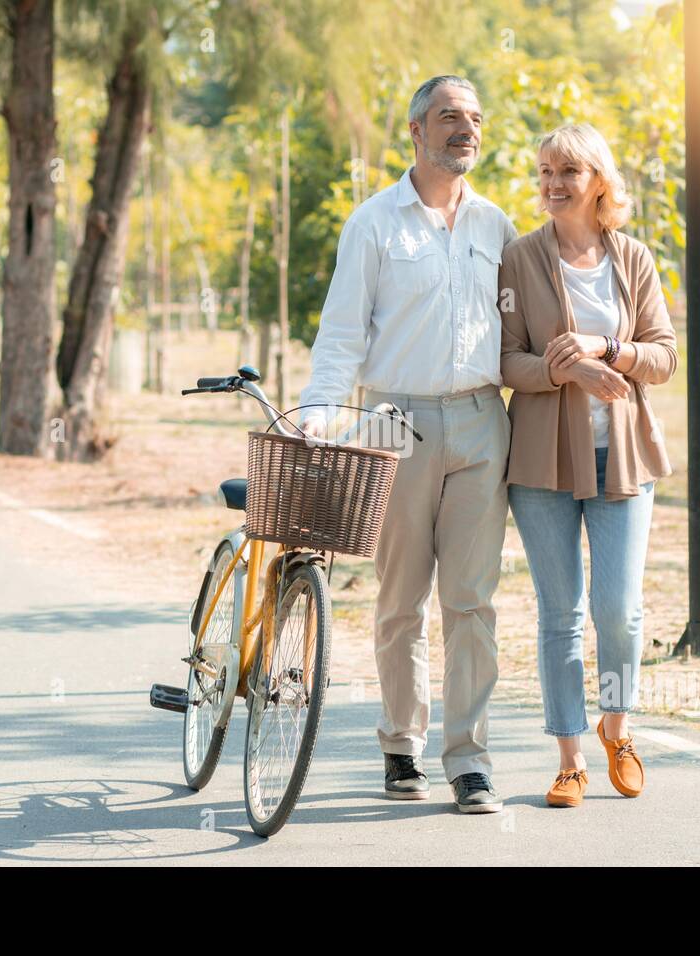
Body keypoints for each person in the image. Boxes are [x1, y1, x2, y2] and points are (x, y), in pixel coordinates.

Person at [298, 75, 518, 813]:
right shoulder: (374, 224)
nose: (467, 129)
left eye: (476, 118)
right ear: (416, 132)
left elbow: (522, 326)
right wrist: (320, 413)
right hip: (396, 422)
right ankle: (401, 745)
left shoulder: (496, 226)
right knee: (401, 599)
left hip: (483, 422)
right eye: (451, 116)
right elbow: (341, 332)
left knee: (472, 601)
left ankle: (470, 759)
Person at [497, 122, 678, 808]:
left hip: (624, 459)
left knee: (619, 611)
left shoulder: (632, 258)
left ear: (598, 180)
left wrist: (608, 350)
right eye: (544, 171)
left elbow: (661, 354)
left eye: (566, 172)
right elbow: (504, 360)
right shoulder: (518, 259)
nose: (551, 185)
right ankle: (570, 757)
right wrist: (563, 368)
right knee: (560, 613)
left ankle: (616, 726)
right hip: (542, 460)